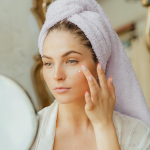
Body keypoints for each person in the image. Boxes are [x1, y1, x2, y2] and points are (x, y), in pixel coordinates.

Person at [30, 0, 150, 149]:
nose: (57, 75)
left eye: (71, 61)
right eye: (48, 63)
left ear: (99, 63)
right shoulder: (28, 133)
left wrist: (104, 126)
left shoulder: (136, 133)